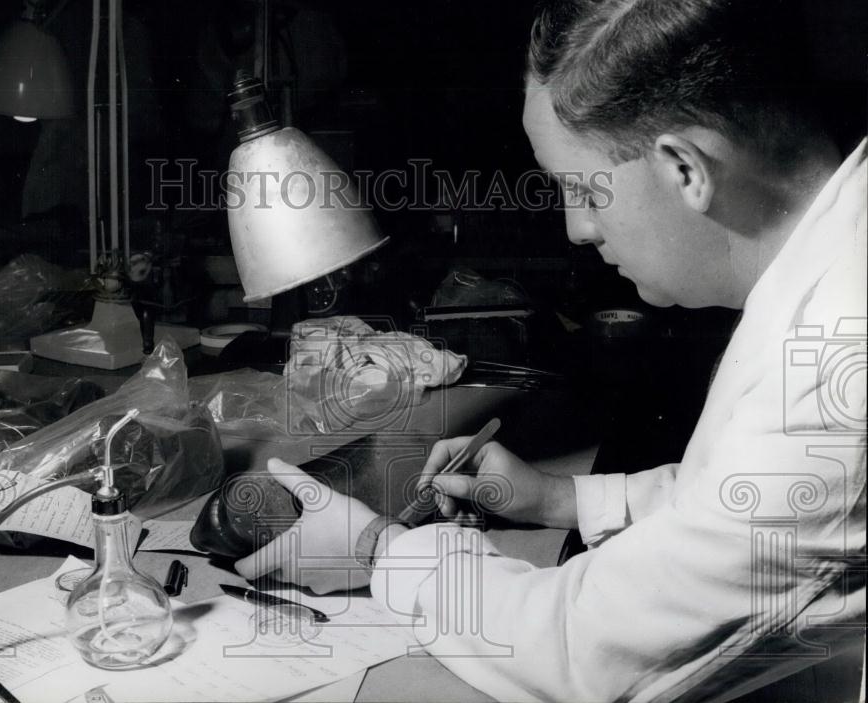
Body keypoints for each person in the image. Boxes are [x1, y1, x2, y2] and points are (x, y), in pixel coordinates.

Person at [235, 0, 867, 700]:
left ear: (685, 169)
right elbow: (726, 501)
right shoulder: (833, 259)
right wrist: (561, 498)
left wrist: (375, 549)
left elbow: (584, 646)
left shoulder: (840, 360)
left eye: (581, 190)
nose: (576, 229)